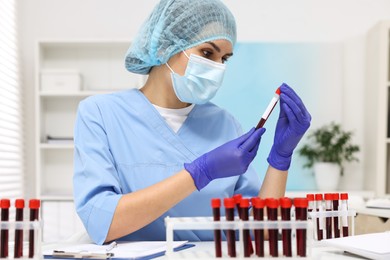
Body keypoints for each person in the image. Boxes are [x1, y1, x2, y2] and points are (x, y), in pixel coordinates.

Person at [73, 0, 311, 245]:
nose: (217, 68)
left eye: (224, 59)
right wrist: (200, 172)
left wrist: (280, 159)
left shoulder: (225, 124)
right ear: (166, 47)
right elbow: (102, 222)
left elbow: (257, 233)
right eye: (207, 53)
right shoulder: (101, 114)